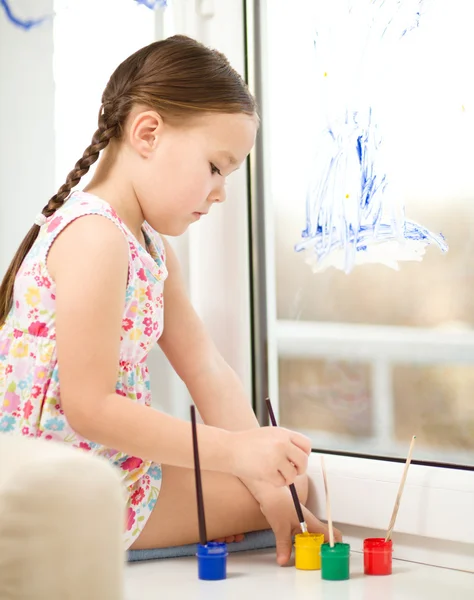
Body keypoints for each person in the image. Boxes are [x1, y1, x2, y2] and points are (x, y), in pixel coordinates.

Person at [0, 35, 340, 565]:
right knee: (263, 496)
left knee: (280, 494)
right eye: (214, 167)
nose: (221, 191)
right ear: (148, 132)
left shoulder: (148, 248)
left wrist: (267, 480)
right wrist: (237, 454)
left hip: (99, 468)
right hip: (57, 489)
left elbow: (205, 367)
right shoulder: (96, 238)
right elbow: (87, 408)